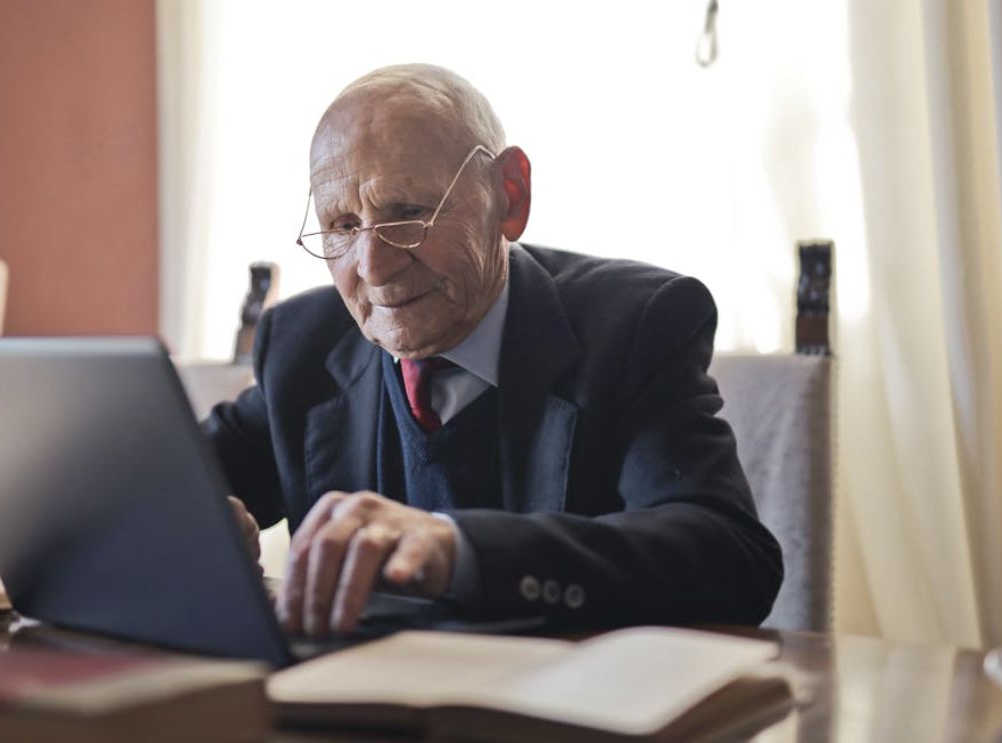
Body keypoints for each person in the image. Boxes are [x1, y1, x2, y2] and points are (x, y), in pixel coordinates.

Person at [206, 64, 783, 639]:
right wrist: (181, 524)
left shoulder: (634, 326)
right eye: (342, 225)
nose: (374, 269)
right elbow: (164, 481)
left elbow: (729, 559)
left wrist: (459, 550)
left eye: (408, 212)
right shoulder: (305, 346)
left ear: (509, 197)